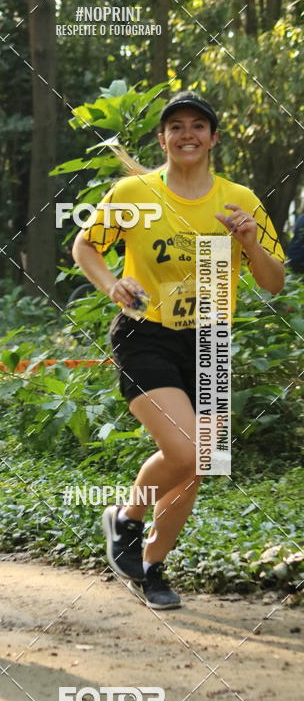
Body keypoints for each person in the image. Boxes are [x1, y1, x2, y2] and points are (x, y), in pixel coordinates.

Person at [72, 91, 285, 609]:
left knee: (199, 463)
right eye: (176, 127)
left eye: (197, 125)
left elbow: (274, 282)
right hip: (146, 332)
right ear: (163, 139)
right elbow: (85, 246)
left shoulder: (240, 200)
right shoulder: (133, 192)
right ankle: (125, 517)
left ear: (213, 137)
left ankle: (151, 568)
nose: (187, 134)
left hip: (210, 338)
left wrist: (250, 241)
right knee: (185, 449)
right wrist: (111, 285)